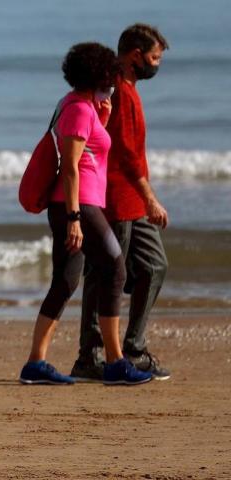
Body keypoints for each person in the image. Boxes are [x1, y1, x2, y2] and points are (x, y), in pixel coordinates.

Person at [19, 43, 153, 386]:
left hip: (76, 205)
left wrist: (103, 119)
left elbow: (92, 151)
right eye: (111, 74)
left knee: (65, 282)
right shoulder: (78, 109)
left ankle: (36, 363)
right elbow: (71, 169)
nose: (114, 80)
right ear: (99, 75)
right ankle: (115, 362)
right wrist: (76, 218)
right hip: (75, 206)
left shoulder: (85, 107)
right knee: (115, 267)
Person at [72, 24, 172, 382]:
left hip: (133, 199)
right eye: (155, 57)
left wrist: (144, 197)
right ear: (135, 55)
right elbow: (127, 155)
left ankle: (133, 346)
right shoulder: (116, 90)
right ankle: (91, 354)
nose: (156, 64)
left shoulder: (126, 89)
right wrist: (152, 198)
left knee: (153, 266)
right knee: (104, 275)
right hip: (113, 197)